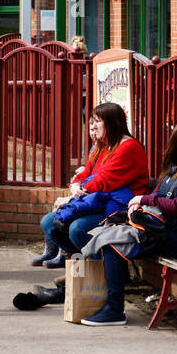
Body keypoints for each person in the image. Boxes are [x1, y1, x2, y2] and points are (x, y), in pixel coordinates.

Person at [79, 119, 177, 327]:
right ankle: (99, 301)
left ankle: (114, 310)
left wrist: (144, 199)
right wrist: (137, 205)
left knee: (113, 243)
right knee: (103, 233)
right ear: (176, 142)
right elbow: (158, 193)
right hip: (161, 231)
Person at [34, 102, 148, 267]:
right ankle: (80, 267)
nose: (92, 127)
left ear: (112, 122)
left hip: (117, 209)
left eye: (97, 121)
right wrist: (75, 186)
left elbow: (103, 181)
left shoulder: (128, 147)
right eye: (91, 122)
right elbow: (85, 173)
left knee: (77, 228)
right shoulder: (102, 146)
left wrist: (70, 199)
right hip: (94, 203)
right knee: (49, 223)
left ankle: (100, 270)